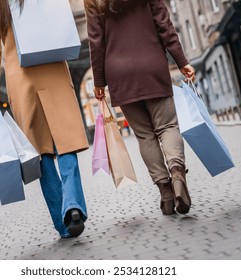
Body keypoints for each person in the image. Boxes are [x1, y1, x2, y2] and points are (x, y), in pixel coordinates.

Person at [0, 0, 88, 237]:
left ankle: (63, 224)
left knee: (40, 152)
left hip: (21, 79)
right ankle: (73, 204)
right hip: (53, 66)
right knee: (66, 141)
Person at [84, 0, 196, 215]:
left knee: (145, 135)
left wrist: (99, 81)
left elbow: (96, 42)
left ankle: (165, 193)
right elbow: (165, 25)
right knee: (167, 126)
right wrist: (182, 61)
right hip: (152, 65)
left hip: (119, 74)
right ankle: (177, 173)